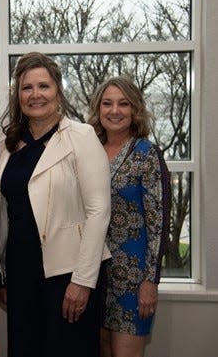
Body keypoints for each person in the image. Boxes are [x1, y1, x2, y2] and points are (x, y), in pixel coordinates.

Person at [0, 51, 111, 357]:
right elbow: (3, 212)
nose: (35, 95)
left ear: (57, 90)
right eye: (27, 88)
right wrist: (2, 274)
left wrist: (83, 281)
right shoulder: (7, 146)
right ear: (18, 95)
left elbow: (99, 212)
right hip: (20, 272)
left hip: (68, 272)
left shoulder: (81, 137)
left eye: (43, 86)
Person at [88, 76, 171, 357]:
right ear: (98, 109)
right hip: (93, 277)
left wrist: (151, 282)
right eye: (107, 103)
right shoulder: (89, 152)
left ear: (135, 109)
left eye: (123, 104)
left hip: (133, 280)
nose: (115, 110)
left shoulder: (147, 154)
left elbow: (158, 223)